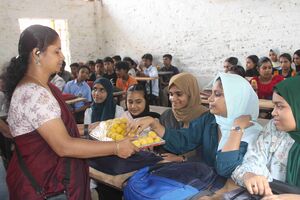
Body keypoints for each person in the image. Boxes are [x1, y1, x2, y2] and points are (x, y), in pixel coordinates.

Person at [2, 25, 138, 199]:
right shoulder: (33, 93)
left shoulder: (43, 87)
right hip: (45, 182)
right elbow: (63, 145)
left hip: (49, 176)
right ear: (37, 53)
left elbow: (54, 130)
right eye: (56, 51)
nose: (62, 57)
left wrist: (92, 127)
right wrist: (117, 147)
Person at [128, 72, 261, 178]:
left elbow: (225, 169)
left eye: (217, 94)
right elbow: (184, 141)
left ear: (235, 99)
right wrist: (154, 124)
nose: (209, 99)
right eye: (211, 93)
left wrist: (236, 129)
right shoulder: (210, 119)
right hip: (206, 179)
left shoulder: (251, 131)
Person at [232, 76, 300, 199]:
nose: (273, 113)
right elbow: (254, 159)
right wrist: (250, 175)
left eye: (280, 106)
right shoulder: (275, 128)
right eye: (274, 106)